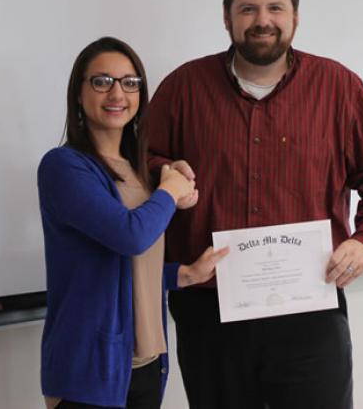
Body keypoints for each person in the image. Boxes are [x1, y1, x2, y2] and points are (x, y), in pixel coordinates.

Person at [147, 0, 363, 409]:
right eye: (247, 9)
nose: (262, 20)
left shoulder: (338, 87)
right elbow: (138, 168)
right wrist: (164, 174)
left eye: (275, 8)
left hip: (310, 306)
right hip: (209, 311)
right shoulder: (182, 89)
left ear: (295, 18)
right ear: (227, 18)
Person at [37, 36, 228, 409]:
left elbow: (123, 267)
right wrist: (170, 192)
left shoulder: (140, 172)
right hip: (89, 369)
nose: (117, 93)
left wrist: (183, 275)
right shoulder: (64, 166)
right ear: (79, 92)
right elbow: (131, 236)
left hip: (147, 363)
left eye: (130, 82)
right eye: (101, 81)